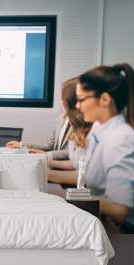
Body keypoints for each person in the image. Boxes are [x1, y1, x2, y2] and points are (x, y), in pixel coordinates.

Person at [76, 63, 134, 232]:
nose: (78, 106)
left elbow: (119, 209)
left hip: (123, 231)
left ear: (105, 99)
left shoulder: (121, 139)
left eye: (81, 99)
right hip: (103, 219)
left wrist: (66, 197)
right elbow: (87, 174)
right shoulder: (99, 127)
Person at [47, 78, 93, 185]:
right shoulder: (79, 127)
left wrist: (44, 173)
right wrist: (46, 162)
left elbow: (87, 176)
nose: (61, 102)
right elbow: (77, 163)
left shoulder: (95, 129)